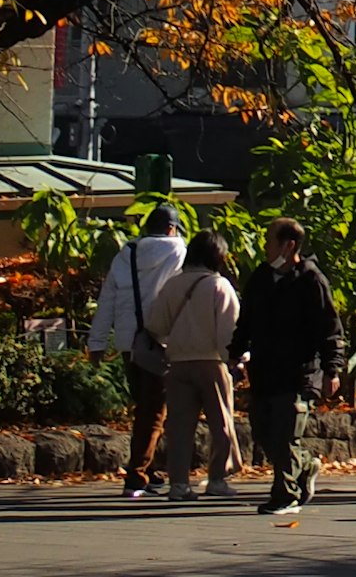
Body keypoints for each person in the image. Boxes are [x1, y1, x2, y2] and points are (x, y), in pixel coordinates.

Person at [232, 218, 341, 516]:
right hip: (265, 371)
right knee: (264, 431)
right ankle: (305, 465)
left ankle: (286, 494)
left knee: (285, 433)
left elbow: (330, 328)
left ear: (288, 245)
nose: (265, 247)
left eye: (269, 240)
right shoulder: (261, 278)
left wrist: (333, 369)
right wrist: (236, 352)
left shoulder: (311, 280)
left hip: (298, 372)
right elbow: (247, 321)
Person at [86, 202, 187, 497]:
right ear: (172, 228)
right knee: (154, 410)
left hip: (130, 342)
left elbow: (107, 300)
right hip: (162, 340)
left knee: (144, 406)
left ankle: (150, 470)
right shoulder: (179, 251)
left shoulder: (126, 254)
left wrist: (97, 342)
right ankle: (137, 474)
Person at [150, 230, 242, 502]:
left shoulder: (172, 285)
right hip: (211, 363)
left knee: (179, 427)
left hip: (177, 364)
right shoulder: (219, 286)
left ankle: (179, 483)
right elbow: (229, 332)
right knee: (221, 424)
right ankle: (217, 478)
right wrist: (235, 360)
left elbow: (156, 325)